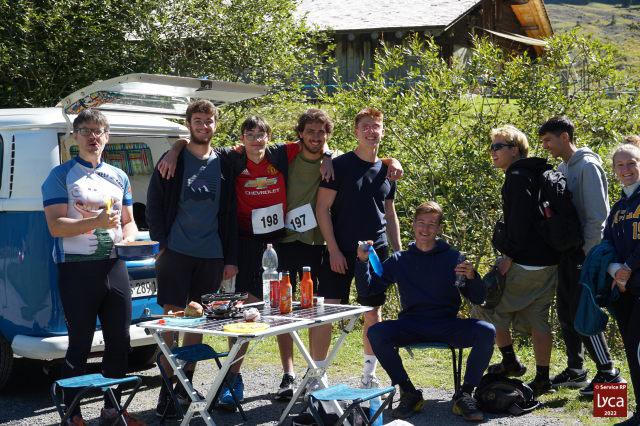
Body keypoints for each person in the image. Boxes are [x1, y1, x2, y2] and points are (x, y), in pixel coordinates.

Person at [42, 109, 144, 426]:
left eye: (98, 131)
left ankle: (113, 410)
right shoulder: (60, 175)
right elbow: (56, 226)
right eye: (85, 130)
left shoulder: (119, 176)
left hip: (114, 266)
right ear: (75, 136)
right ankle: (72, 413)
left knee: (120, 341)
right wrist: (96, 222)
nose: (93, 137)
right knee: (80, 343)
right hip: (76, 269)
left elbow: (129, 222)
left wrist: (130, 239)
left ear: (107, 137)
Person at [355, 201, 495, 421]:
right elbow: (368, 291)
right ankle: (409, 392)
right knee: (376, 332)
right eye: (421, 222)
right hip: (411, 324)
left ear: (439, 228)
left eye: (431, 224)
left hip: (446, 324)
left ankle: (465, 394)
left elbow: (478, 298)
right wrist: (362, 262)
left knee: (486, 331)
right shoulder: (400, 259)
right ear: (413, 225)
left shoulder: (454, 258)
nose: (425, 229)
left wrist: (472, 277)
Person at [146, 99, 238, 418]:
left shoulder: (224, 162)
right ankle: (166, 390)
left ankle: (185, 385)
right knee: (172, 320)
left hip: (211, 253)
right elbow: (154, 202)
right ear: (189, 124)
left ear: (216, 124)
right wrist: (162, 242)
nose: (204, 126)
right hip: (176, 252)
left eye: (209, 121)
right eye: (197, 121)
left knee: (197, 320)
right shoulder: (173, 159)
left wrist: (230, 257)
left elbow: (230, 214)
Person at [313, 107, 402, 389]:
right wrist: (334, 250)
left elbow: (390, 213)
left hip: (376, 252)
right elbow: (322, 209)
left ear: (382, 131)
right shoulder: (339, 166)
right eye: (365, 126)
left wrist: (399, 253)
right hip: (340, 250)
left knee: (372, 312)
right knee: (327, 311)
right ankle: (318, 376)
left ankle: (368, 374)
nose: (371, 131)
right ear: (356, 131)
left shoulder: (388, 170)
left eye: (376, 126)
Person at [539, 116, 622, 395]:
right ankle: (576, 370)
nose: (546, 146)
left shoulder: (587, 166)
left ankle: (608, 373)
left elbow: (598, 216)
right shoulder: (563, 167)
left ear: (565, 137)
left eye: (548, 140)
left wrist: (590, 256)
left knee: (582, 311)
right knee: (565, 310)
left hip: (586, 254)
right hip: (568, 251)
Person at [474, 125, 559, 396]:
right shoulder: (539, 172)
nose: (493, 152)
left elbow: (520, 222)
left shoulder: (517, 177)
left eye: (498, 146)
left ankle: (510, 361)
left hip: (524, 262)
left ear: (515, 150)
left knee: (486, 305)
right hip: (549, 262)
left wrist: (509, 256)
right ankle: (543, 378)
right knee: (538, 318)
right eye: (492, 147)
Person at [604, 143, 640, 426]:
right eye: (620, 165)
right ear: (614, 170)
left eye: (632, 163)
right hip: (625, 289)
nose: (626, 169)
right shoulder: (618, 207)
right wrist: (616, 271)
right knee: (631, 348)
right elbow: (606, 246)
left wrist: (628, 267)